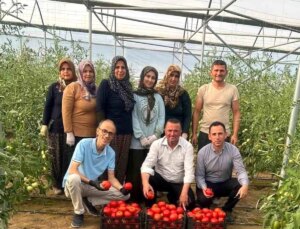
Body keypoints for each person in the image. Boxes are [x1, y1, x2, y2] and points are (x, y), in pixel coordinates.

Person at [63, 119, 130, 228]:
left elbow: (111, 178)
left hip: (90, 186)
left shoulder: (111, 153)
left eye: (110, 133)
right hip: (74, 186)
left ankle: (89, 201)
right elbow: (73, 170)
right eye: (104, 131)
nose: (107, 135)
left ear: (113, 137)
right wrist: (93, 182)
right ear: (97, 131)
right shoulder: (84, 144)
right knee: (73, 178)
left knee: (125, 196)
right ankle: (79, 212)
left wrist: (121, 188)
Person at [195, 121, 249, 222]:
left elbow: (241, 171)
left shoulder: (233, 150)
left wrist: (245, 185)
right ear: (209, 137)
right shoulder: (203, 152)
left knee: (240, 185)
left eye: (220, 134)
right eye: (214, 134)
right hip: (208, 183)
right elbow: (199, 175)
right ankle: (207, 205)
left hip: (224, 182)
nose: (217, 137)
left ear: (225, 135)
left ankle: (227, 209)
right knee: (203, 200)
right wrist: (204, 188)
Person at [126, 66, 165, 203]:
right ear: (142, 77)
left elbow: (161, 118)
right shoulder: (134, 95)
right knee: (136, 171)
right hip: (137, 142)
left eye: (153, 78)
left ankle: (149, 199)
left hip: (154, 142)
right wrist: (141, 136)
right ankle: (134, 200)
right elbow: (134, 116)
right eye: (147, 76)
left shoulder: (158, 97)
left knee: (150, 171)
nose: (150, 80)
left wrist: (156, 135)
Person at [40, 58, 77, 195]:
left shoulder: (77, 87)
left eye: (68, 69)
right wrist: (44, 124)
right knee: (55, 156)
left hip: (72, 130)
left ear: (73, 71)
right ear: (59, 72)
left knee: (68, 157)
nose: (66, 72)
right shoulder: (54, 87)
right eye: (63, 69)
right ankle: (56, 184)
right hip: (55, 128)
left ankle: (66, 183)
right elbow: (48, 106)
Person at [141, 119, 195, 209]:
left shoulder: (187, 146)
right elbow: (146, 165)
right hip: (161, 179)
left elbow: (189, 172)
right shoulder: (156, 144)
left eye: (176, 131)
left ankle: (173, 196)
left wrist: (184, 193)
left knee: (190, 204)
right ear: (164, 130)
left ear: (181, 132)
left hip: (178, 181)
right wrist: (145, 183)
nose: (172, 134)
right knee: (147, 178)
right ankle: (150, 208)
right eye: (169, 130)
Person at [96, 56, 135, 183]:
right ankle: (103, 191)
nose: (120, 70)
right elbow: (99, 108)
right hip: (111, 133)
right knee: (107, 163)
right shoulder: (106, 84)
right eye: (117, 67)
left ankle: (116, 193)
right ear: (113, 69)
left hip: (126, 132)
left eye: (123, 67)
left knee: (121, 164)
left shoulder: (128, 87)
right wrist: (102, 131)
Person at [192, 60, 241, 150]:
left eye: (222, 71)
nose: (218, 73)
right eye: (216, 70)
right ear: (211, 72)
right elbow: (197, 111)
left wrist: (235, 134)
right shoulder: (204, 89)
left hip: (224, 134)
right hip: (206, 133)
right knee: (203, 162)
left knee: (224, 162)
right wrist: (194, 133)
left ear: (226, 72)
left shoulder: (232, 89)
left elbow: (236, 112)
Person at [62, 60, 97, 154]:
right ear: (80, 72)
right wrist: (69, 133)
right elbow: (66, 112)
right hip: (77, 136)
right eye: (85, 71)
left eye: (90, 71)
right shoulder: (73, 87)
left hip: (93, 136)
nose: (88, 74)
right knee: (76, 167)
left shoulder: (95, 89)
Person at [156, 64, 191, 139]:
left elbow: (187, 115)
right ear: (167, 75)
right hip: (161, 132)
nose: (173, 78)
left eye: (176, 76)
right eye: (171, 75)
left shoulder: (183, 93)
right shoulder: (159, 92)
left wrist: (185, 132)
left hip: (179, 133)